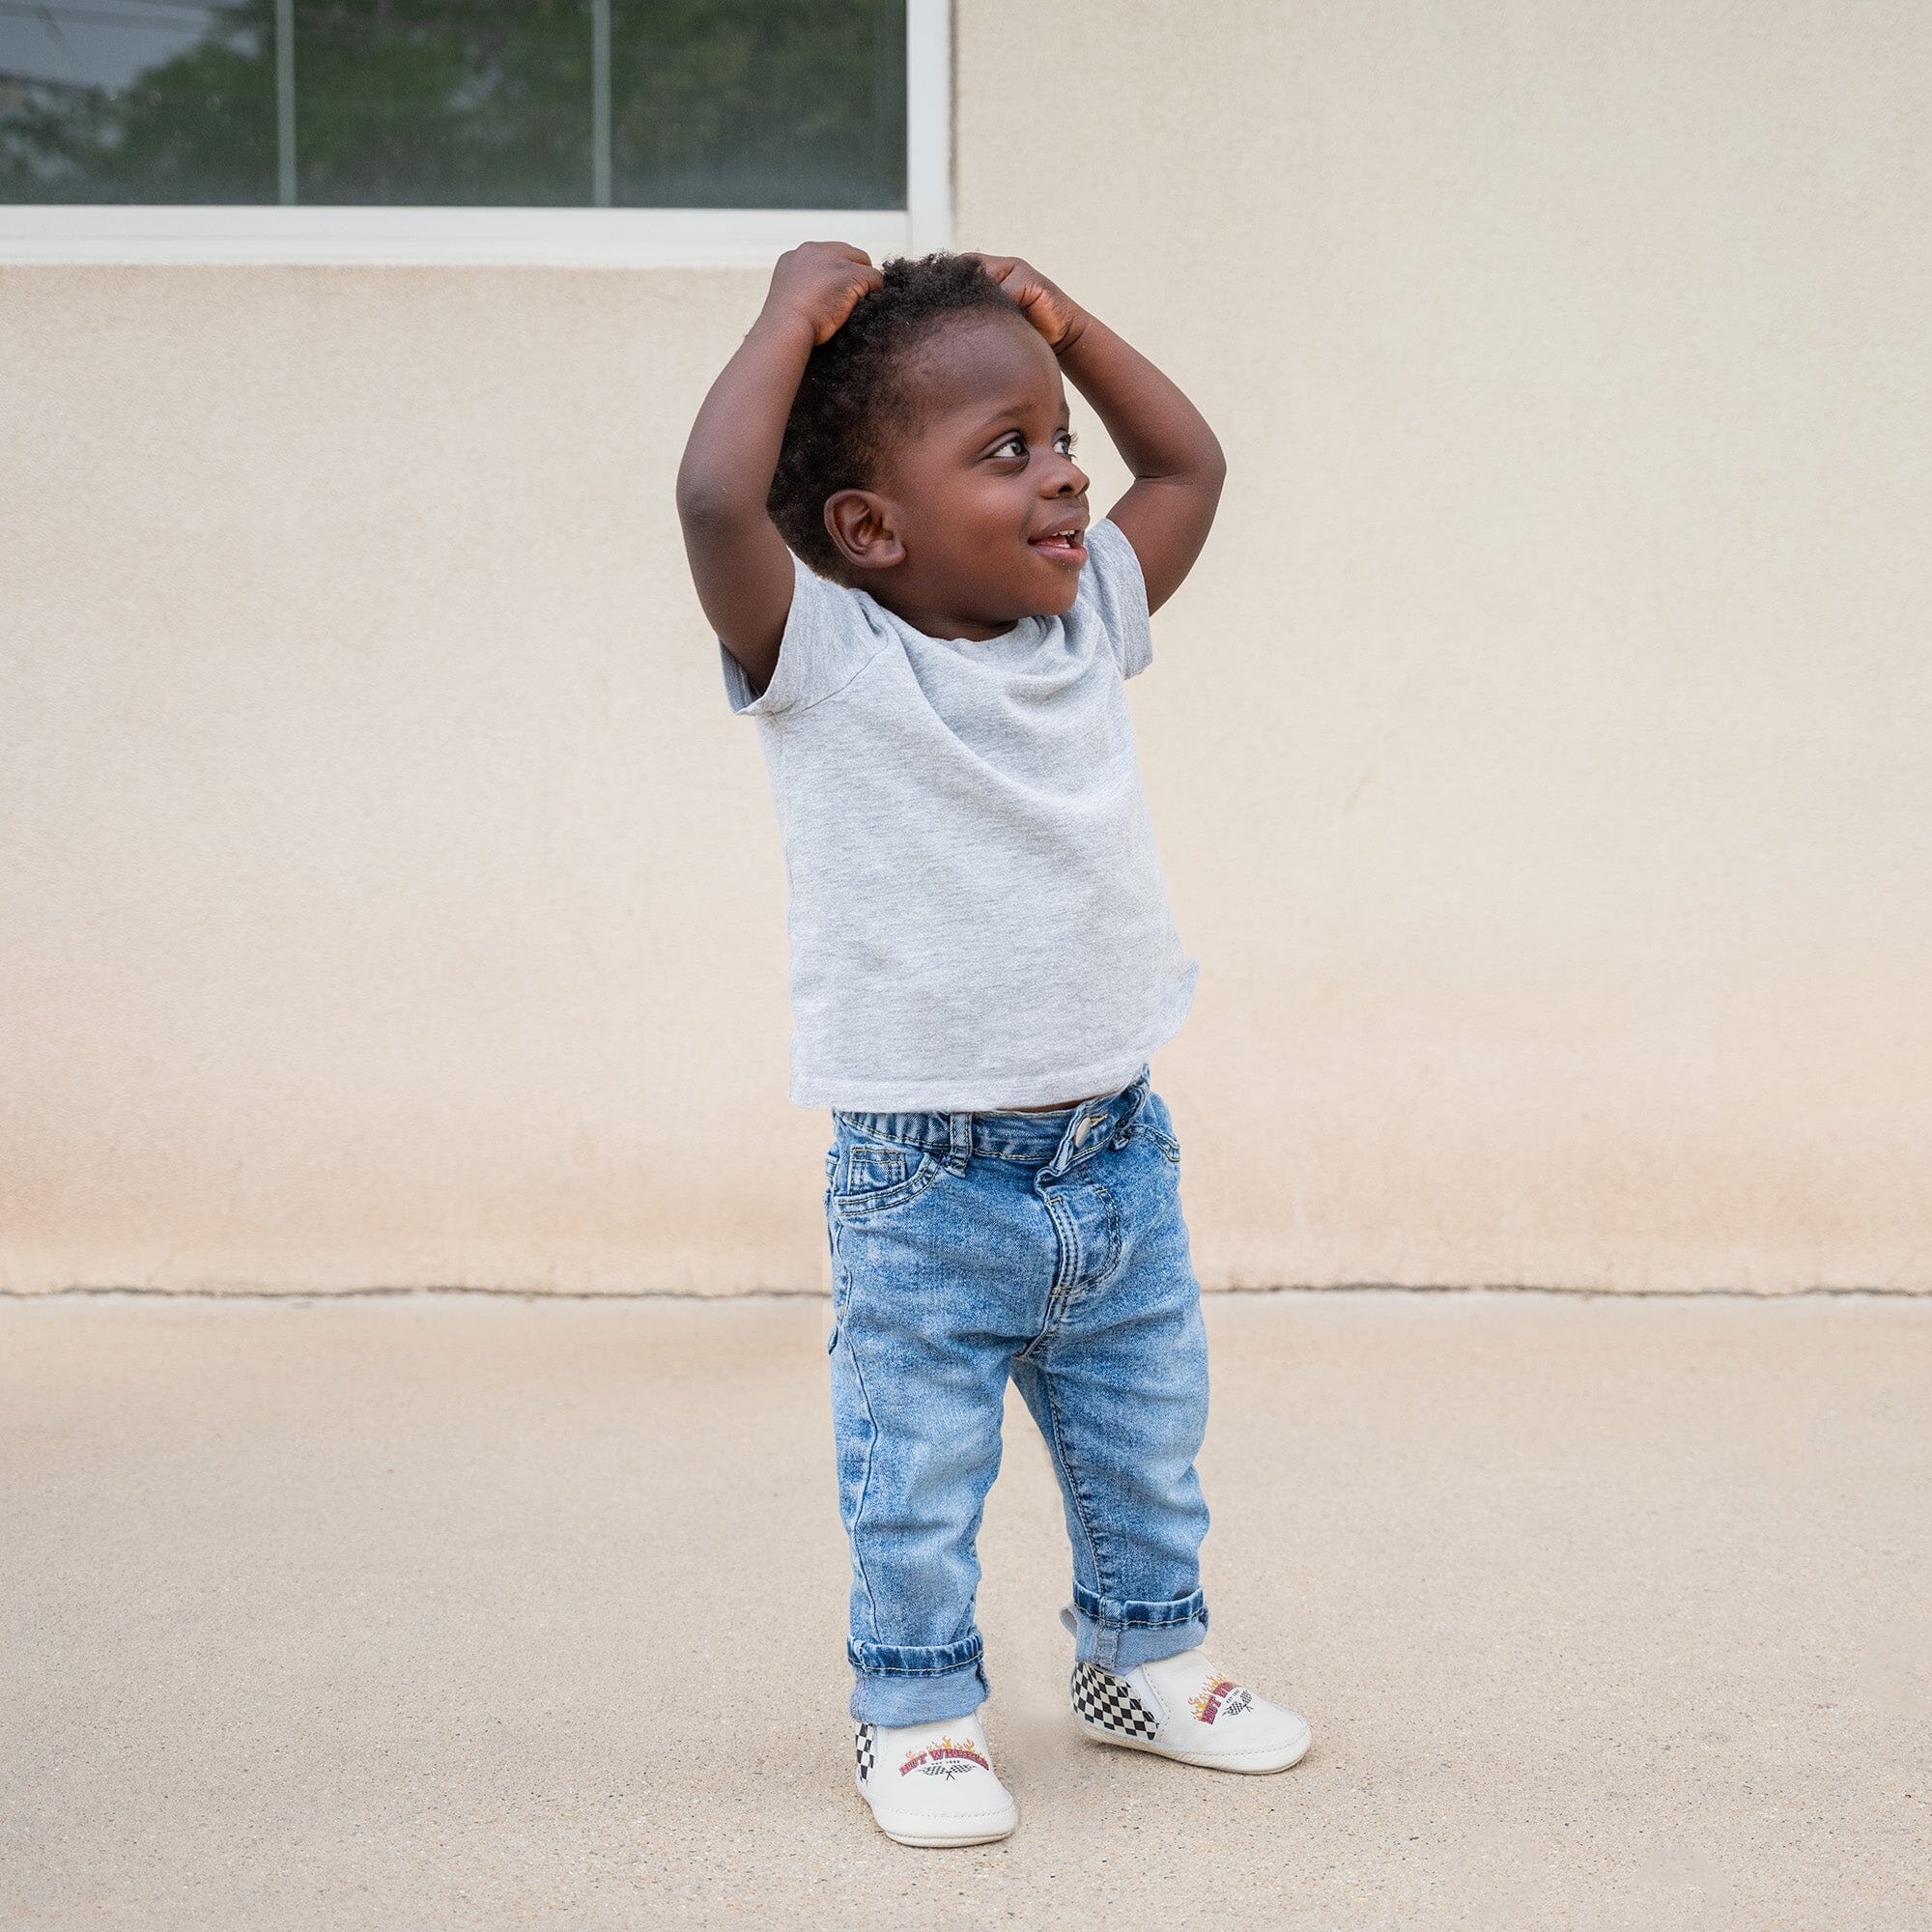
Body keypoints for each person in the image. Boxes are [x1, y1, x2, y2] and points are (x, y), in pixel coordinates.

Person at [676, 243, 1310, 1848]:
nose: (1063, 478)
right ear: (868, 529)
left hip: (1116, 1146)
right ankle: (918, 1713)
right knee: (917, 1476)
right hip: (925, 1182)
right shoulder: (826, 658)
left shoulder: (1086, 617)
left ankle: (1143, 1662)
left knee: (1147, 1442)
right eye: (1004, 451)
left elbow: (1191, 464)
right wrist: (786, 316)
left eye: (1054, 437)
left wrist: (1070, 327)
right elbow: (710, 500)